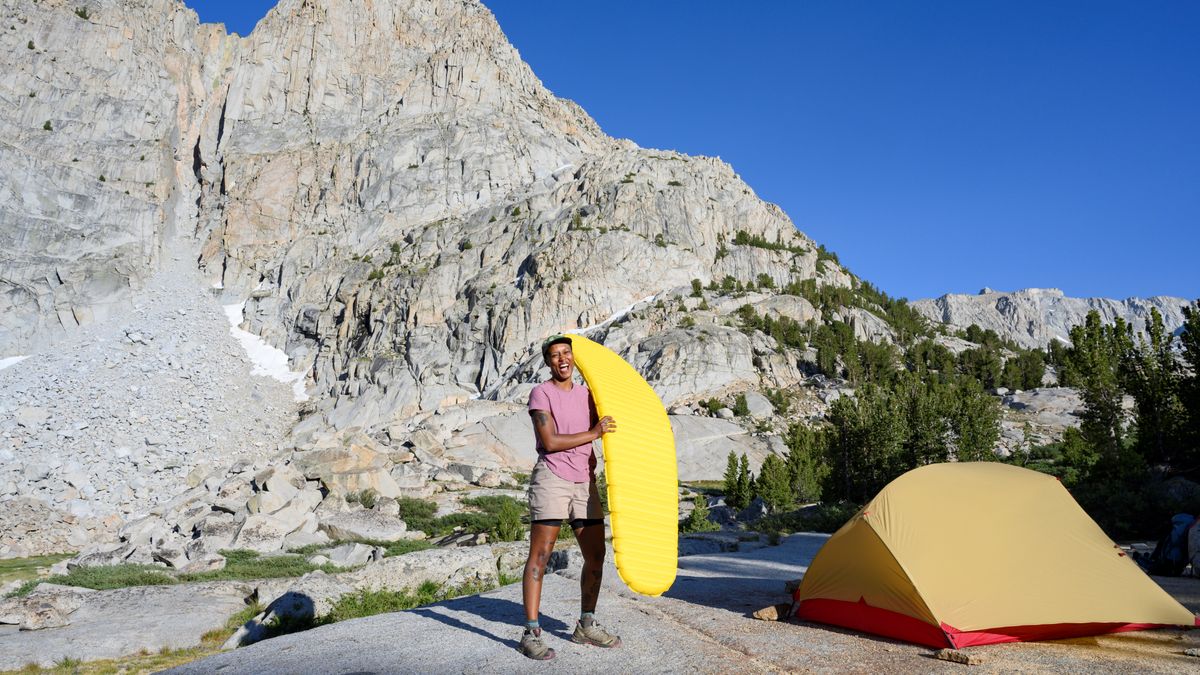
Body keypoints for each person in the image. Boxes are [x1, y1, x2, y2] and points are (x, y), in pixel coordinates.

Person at [518, 334, 621, 660]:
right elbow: (548, 441)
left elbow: (614, 424)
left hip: (584, 481)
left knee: (596, 556)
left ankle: (586, 624)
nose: (562, 359)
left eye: (566, 353)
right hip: (552, 478)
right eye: (554, 355)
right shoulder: (541, 393)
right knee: (541, 555)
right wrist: (594, 433)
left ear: (574, 358)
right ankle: (531, 632)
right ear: (548, 362)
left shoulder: (589, 395)